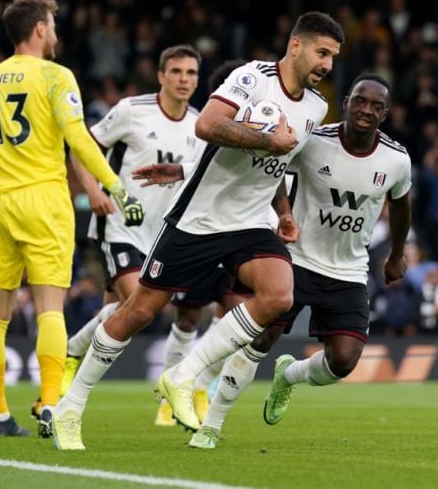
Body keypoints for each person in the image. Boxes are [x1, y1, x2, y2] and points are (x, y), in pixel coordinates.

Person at [52, 12, 344, 450]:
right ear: (296, 45)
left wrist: (283, 209)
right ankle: (70, 408)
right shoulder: (253, 78)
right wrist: (268, 140)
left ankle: (183, 376)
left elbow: (278, 167)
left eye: (334, 57)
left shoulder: (317, 106)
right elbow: (207, 125)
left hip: (249, 223)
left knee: (279, 294)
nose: (328, 65)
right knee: (138, 310)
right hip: (199, 220)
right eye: (322, 52)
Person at [144, 74, 413, 449]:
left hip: (349, 270)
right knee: (260, 339)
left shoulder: (397, 159)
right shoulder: (315, 141)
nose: (366, 110)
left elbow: (400, 203)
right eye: (359, 101)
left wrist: (396, 254)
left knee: (344, 362)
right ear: (347, 101)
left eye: (376, 106)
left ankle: (289, 377)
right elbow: (270, 172)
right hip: (298, 258)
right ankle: (212, 426)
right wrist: (283, 212)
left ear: (386, 113)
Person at [0, 0, 143, 438]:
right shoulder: (56, 76)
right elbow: (78, 139)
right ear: (38, 30)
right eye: (52, 25)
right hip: (45, 203)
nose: (55, 33)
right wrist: (114, 185)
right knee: (49, 308)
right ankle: (51, 405)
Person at [60, 49, 243, 427]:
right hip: (120, 226)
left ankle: (73, 351)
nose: (184, 79)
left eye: (191, 73)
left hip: (165, 236)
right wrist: (93, 191)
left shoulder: (202, 124)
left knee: (118, 313)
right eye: (175, 71)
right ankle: (86, 379)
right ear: (160, 75)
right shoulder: (131, 110)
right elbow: (82, 146)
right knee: (140, 305)